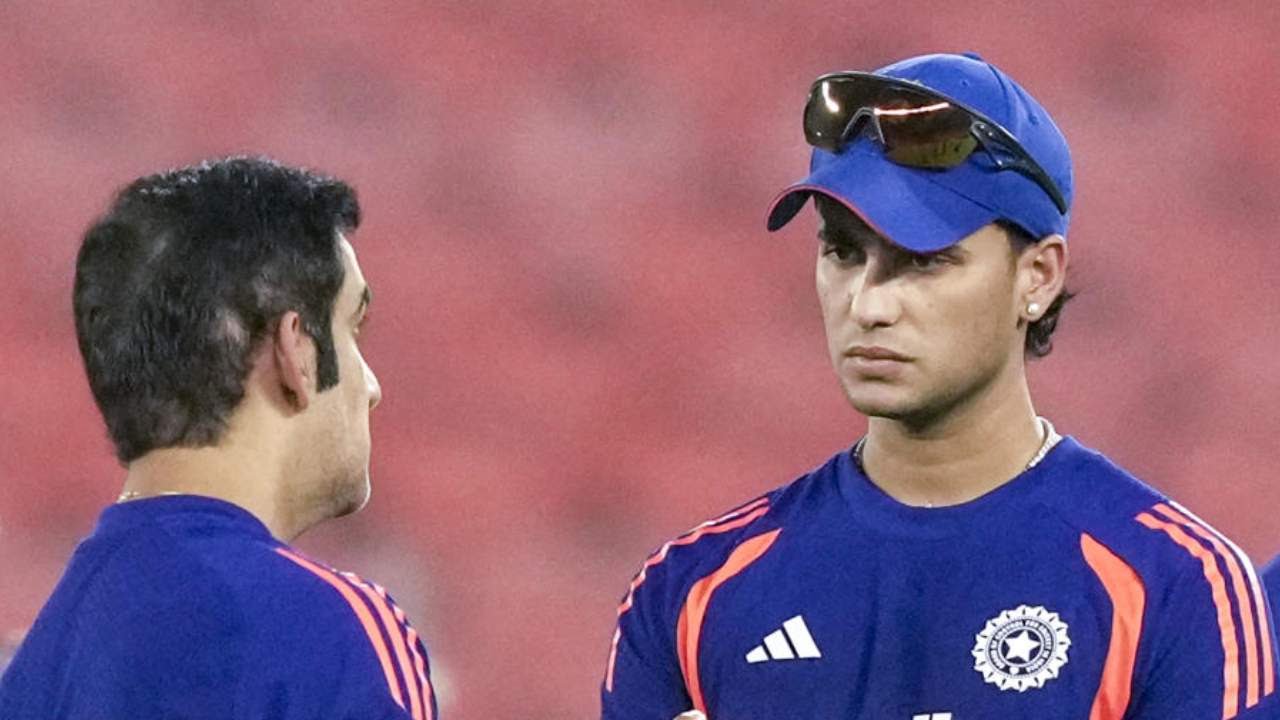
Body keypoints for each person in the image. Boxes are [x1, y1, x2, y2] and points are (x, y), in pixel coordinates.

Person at [601, 53, 1278, 720]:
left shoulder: (1179, 585)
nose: (869, 304)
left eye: (923, 261)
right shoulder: (690, 591)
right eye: (842, 251)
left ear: (1037, 277)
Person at [0, 157, 437, 720]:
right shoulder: (327, 632)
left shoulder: (33, 669)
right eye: (352, 327)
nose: (371, 386)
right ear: (296, 351)